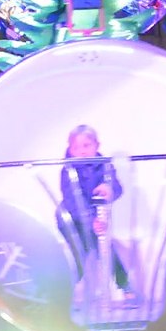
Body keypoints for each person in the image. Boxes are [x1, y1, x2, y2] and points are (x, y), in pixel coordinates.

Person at [56, 125, 134, 306]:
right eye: (76, 148)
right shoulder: (68, 170)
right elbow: (74, 201)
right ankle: (62, 295)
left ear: (96, 145)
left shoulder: (104, 165)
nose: (82, 152)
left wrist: (109, 189)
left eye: (86, 146)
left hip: (94, 219)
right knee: (78, 257)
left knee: (107, 251)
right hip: (71, 220)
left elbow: (117, 186)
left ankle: (125, 286)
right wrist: (91, 221)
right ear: (70, 148)